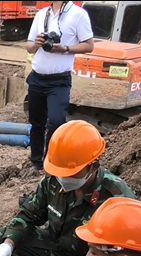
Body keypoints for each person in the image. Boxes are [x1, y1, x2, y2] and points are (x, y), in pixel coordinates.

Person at [0, 120, 135, 256]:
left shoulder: (116, 199)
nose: (62, 179)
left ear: (94, 166)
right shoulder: (53, 181)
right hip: (57, 251)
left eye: (70, 173)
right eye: (58, 172)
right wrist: (8, 244)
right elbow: (28, 215)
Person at [26, 1, 94, 171]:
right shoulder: (42, 14)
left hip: (59, 81)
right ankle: (36, 162)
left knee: (56, 121)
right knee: (36, 123)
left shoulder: (78, 14)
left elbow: (89, 45)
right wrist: (37, 43)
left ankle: (51, 161)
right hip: (36, 78)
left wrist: (64, 48)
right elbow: (28, 46)